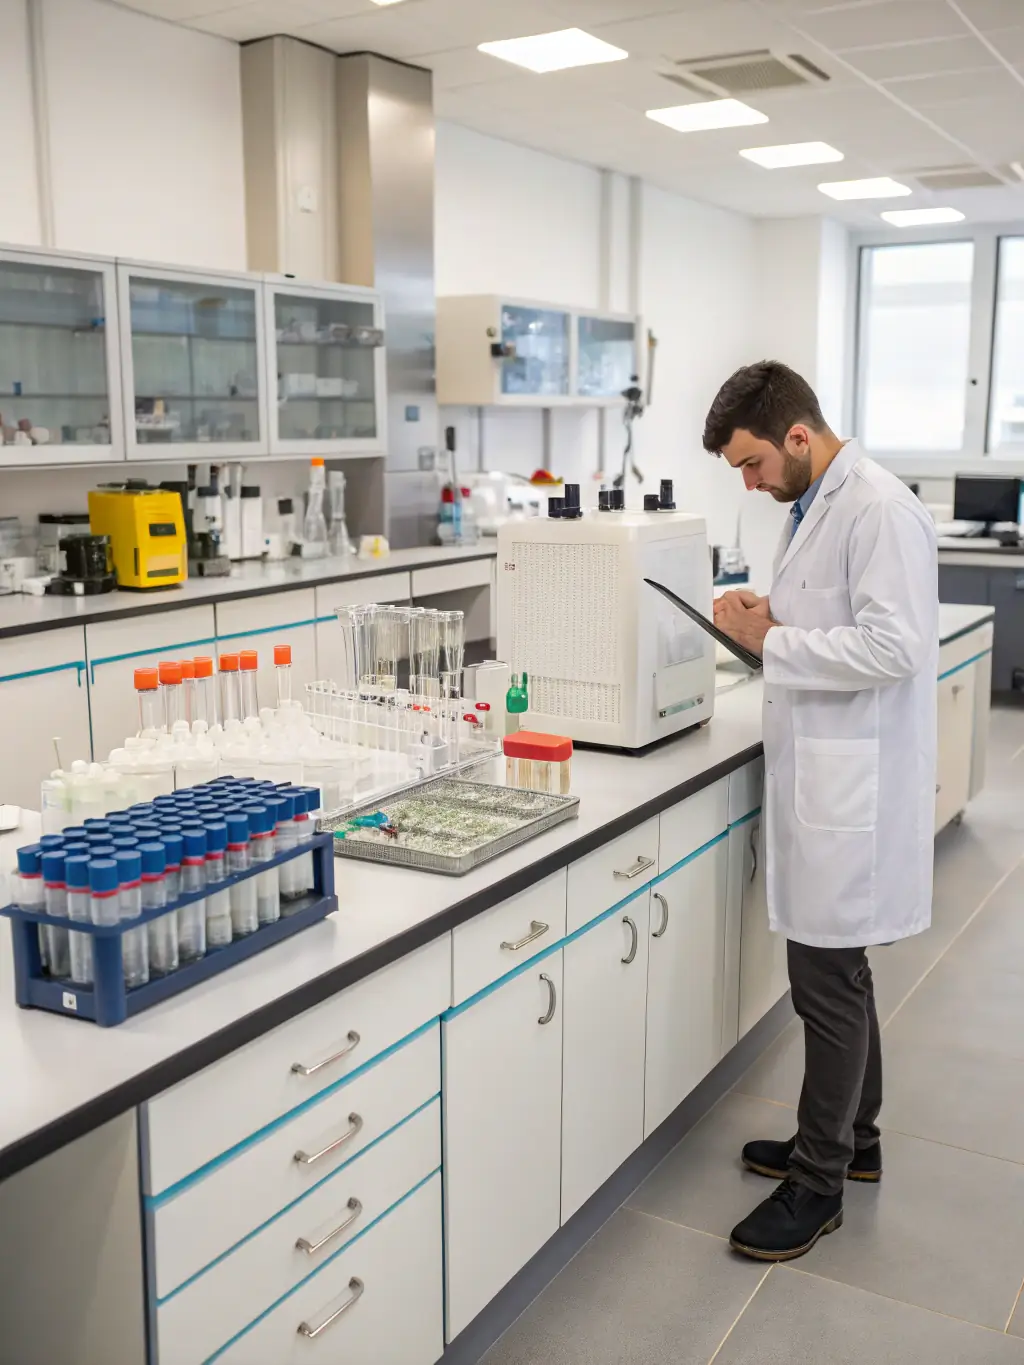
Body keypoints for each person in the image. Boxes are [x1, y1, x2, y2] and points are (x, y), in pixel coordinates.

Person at [703, 360, 938, 1262]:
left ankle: (819, 1180)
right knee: (837, 978)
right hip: (829, 779)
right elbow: (835, 614)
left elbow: (895, 644)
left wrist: (777, 637)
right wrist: (777, 615)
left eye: (754, 463)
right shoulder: (816, 503)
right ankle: (857, 1142)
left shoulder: (877, 507)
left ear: (798, 436)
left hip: (855, 792)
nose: (752, 483)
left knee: (827, 985)